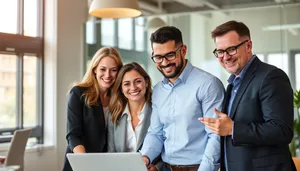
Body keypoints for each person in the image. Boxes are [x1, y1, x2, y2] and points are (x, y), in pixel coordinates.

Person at [199, 20, 296, 171]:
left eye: (231, 49)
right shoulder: (232, 84)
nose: (225, 57)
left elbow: (281, 130)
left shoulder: (271, 77)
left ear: (248, 46)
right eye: (220, 51)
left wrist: (233, 129)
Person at [140, 26, 225, 171]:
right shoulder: (159, 90)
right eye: (158, 57)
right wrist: (145, 157)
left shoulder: (208, 84)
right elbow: (156, 132)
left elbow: (215, 136)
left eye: (170, 55)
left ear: (183, 50)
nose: (165, 62)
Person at [63, 47, 123, 171]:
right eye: (103, 69)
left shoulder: (119, 97)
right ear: (95, 69)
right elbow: (73, 135)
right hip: (81, 163)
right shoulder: (78, 93)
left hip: (107, 165)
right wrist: (86, 163)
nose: (108, 75)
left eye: (113, 70)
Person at [107, 62, 162, 171]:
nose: (133, 87)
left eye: (138, 81)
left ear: (146, 82)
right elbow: (111, 152)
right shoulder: (114, 114)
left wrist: (157, 167)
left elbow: (167, 147)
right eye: (126, 84)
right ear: (121, 89)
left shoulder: (158, 111)